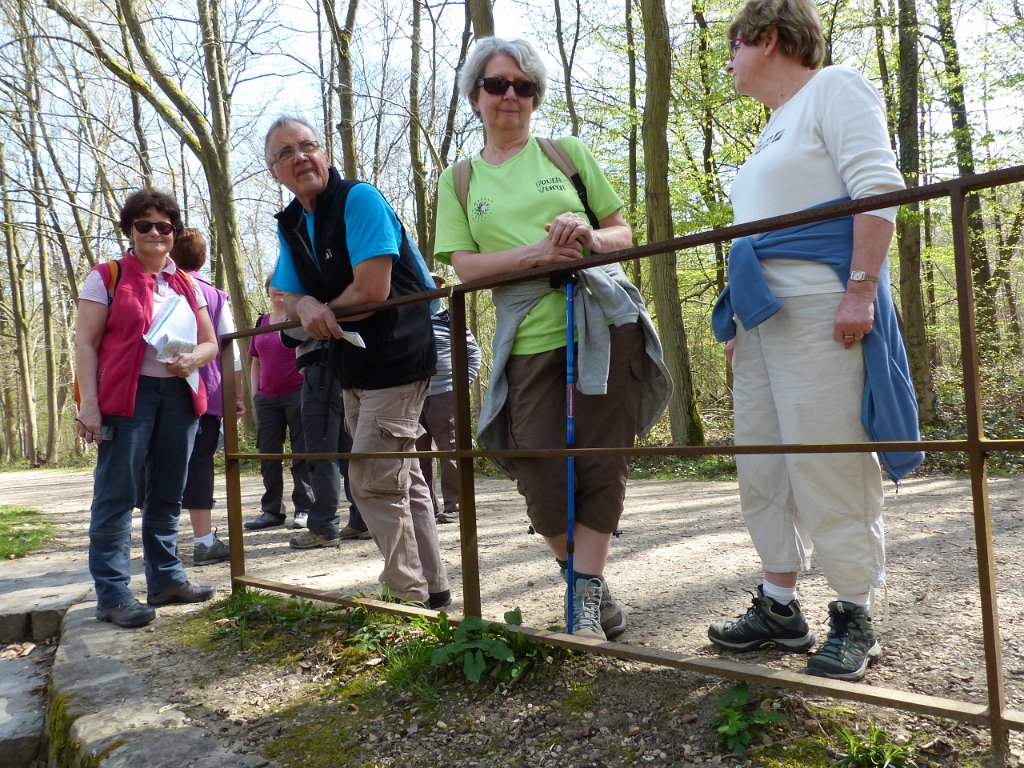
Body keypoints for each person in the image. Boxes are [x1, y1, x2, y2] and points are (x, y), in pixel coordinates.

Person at [708, 0, 924, 680]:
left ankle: (855, 611)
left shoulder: (835, 87)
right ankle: (779, 604)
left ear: (769, 37)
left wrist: (861, 288)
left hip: (819, 300)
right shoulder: (771, 128)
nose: (729, 61)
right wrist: (742, 323)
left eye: (735, 45)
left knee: (827, 457)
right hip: (762, 315)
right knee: (763, 462)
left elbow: (877, 187)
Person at [433, 37, 672, 641]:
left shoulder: (566, 154)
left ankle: (585, 597)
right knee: (538, 472)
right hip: (525, 337)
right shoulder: (459, 180)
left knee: (601, 462)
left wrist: (587, 236)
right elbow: (465, 266)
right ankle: (582, 577)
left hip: (602, 323)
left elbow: (622, 234)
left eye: (525, 86)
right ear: (476, 96)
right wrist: (536, 255)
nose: (511, 96)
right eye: (497, 85)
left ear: (536, 97)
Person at [264, 115, 450, 608]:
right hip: (351, 366)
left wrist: (316, 309)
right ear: (274, 171)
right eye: (286, 152)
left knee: (369, 481)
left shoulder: (358, 199)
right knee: (402, 479)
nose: (300, 157)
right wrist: (306, 304)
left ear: (325, 153)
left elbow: (372, 290)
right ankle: (433, 588)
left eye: (308, 145)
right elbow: (287, 295)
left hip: (399, 357)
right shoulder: (290, 223)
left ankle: (406, 598)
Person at [74, 189, 218, 629]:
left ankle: (167, 579)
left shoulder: (186, 283)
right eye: (144, 225)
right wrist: (89, 407)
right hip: (126, 400)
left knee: (168, 492)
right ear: (130, 230)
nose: (155, 233)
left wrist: (193, 359)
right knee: (116, 495)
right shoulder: (107, 276)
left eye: (164, 226)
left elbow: (210, 343)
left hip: (179, 397)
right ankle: (113, 595)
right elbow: (85, 344)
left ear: (174, 233)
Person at [168, 228, 245, 566]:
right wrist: (235, 394)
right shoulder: (214, 295)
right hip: (205, 393)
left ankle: (165, 542)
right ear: (202, 259)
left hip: (162, 388)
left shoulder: (158, 286)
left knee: (160, 463)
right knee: (199, 464)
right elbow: (231, 350)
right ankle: (203, 542)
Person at [279, 324, 373, 547]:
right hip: (346, 371)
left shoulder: (313, 301)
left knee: (321, 451)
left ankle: (323, 526)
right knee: (347, 449)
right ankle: (363, 520)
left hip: (322, 371)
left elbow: (289, 336)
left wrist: (298, 310)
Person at [243, 275, 315, 533]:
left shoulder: (298, 319)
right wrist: (256, 395)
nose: (278, 289)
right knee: (268, 455)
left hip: (297, 393)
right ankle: (271, 510)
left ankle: (304, 508)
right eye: (273, 285)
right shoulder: (261, 322)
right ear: (267, 291)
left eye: (283, 284)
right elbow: (255, 361)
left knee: (301, 453)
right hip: (267, 399)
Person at [415, 273, 482, 525]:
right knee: (419, 453)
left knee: (450, 450)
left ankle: (454, 506)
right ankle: (426, 506)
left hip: (446, 392)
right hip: (415, 394)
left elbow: (473, 352)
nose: (433, 287)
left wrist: (462, 384)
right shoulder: (409, 315)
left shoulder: (450, 317)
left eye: (437, 284)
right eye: (428, 283)